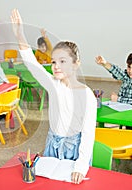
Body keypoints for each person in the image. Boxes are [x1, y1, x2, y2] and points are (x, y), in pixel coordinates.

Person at [11, 9, 97, 184]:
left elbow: (89, 134)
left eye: (63, 61)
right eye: (54, 61)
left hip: (74, 148)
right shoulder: (53, 84)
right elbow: (32, 65)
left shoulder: (86, 95)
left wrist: (80, 166)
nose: (56, 66)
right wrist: (20, 34)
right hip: (53, 144)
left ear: (75, 64)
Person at [95, 51, 132, 159]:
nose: (130, 71)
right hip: (126, 112)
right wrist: (104, 63)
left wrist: (119, 99)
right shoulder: (126, 76)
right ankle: (130, 145)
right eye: (129, 67)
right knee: (129, 130)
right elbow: (117, 71)